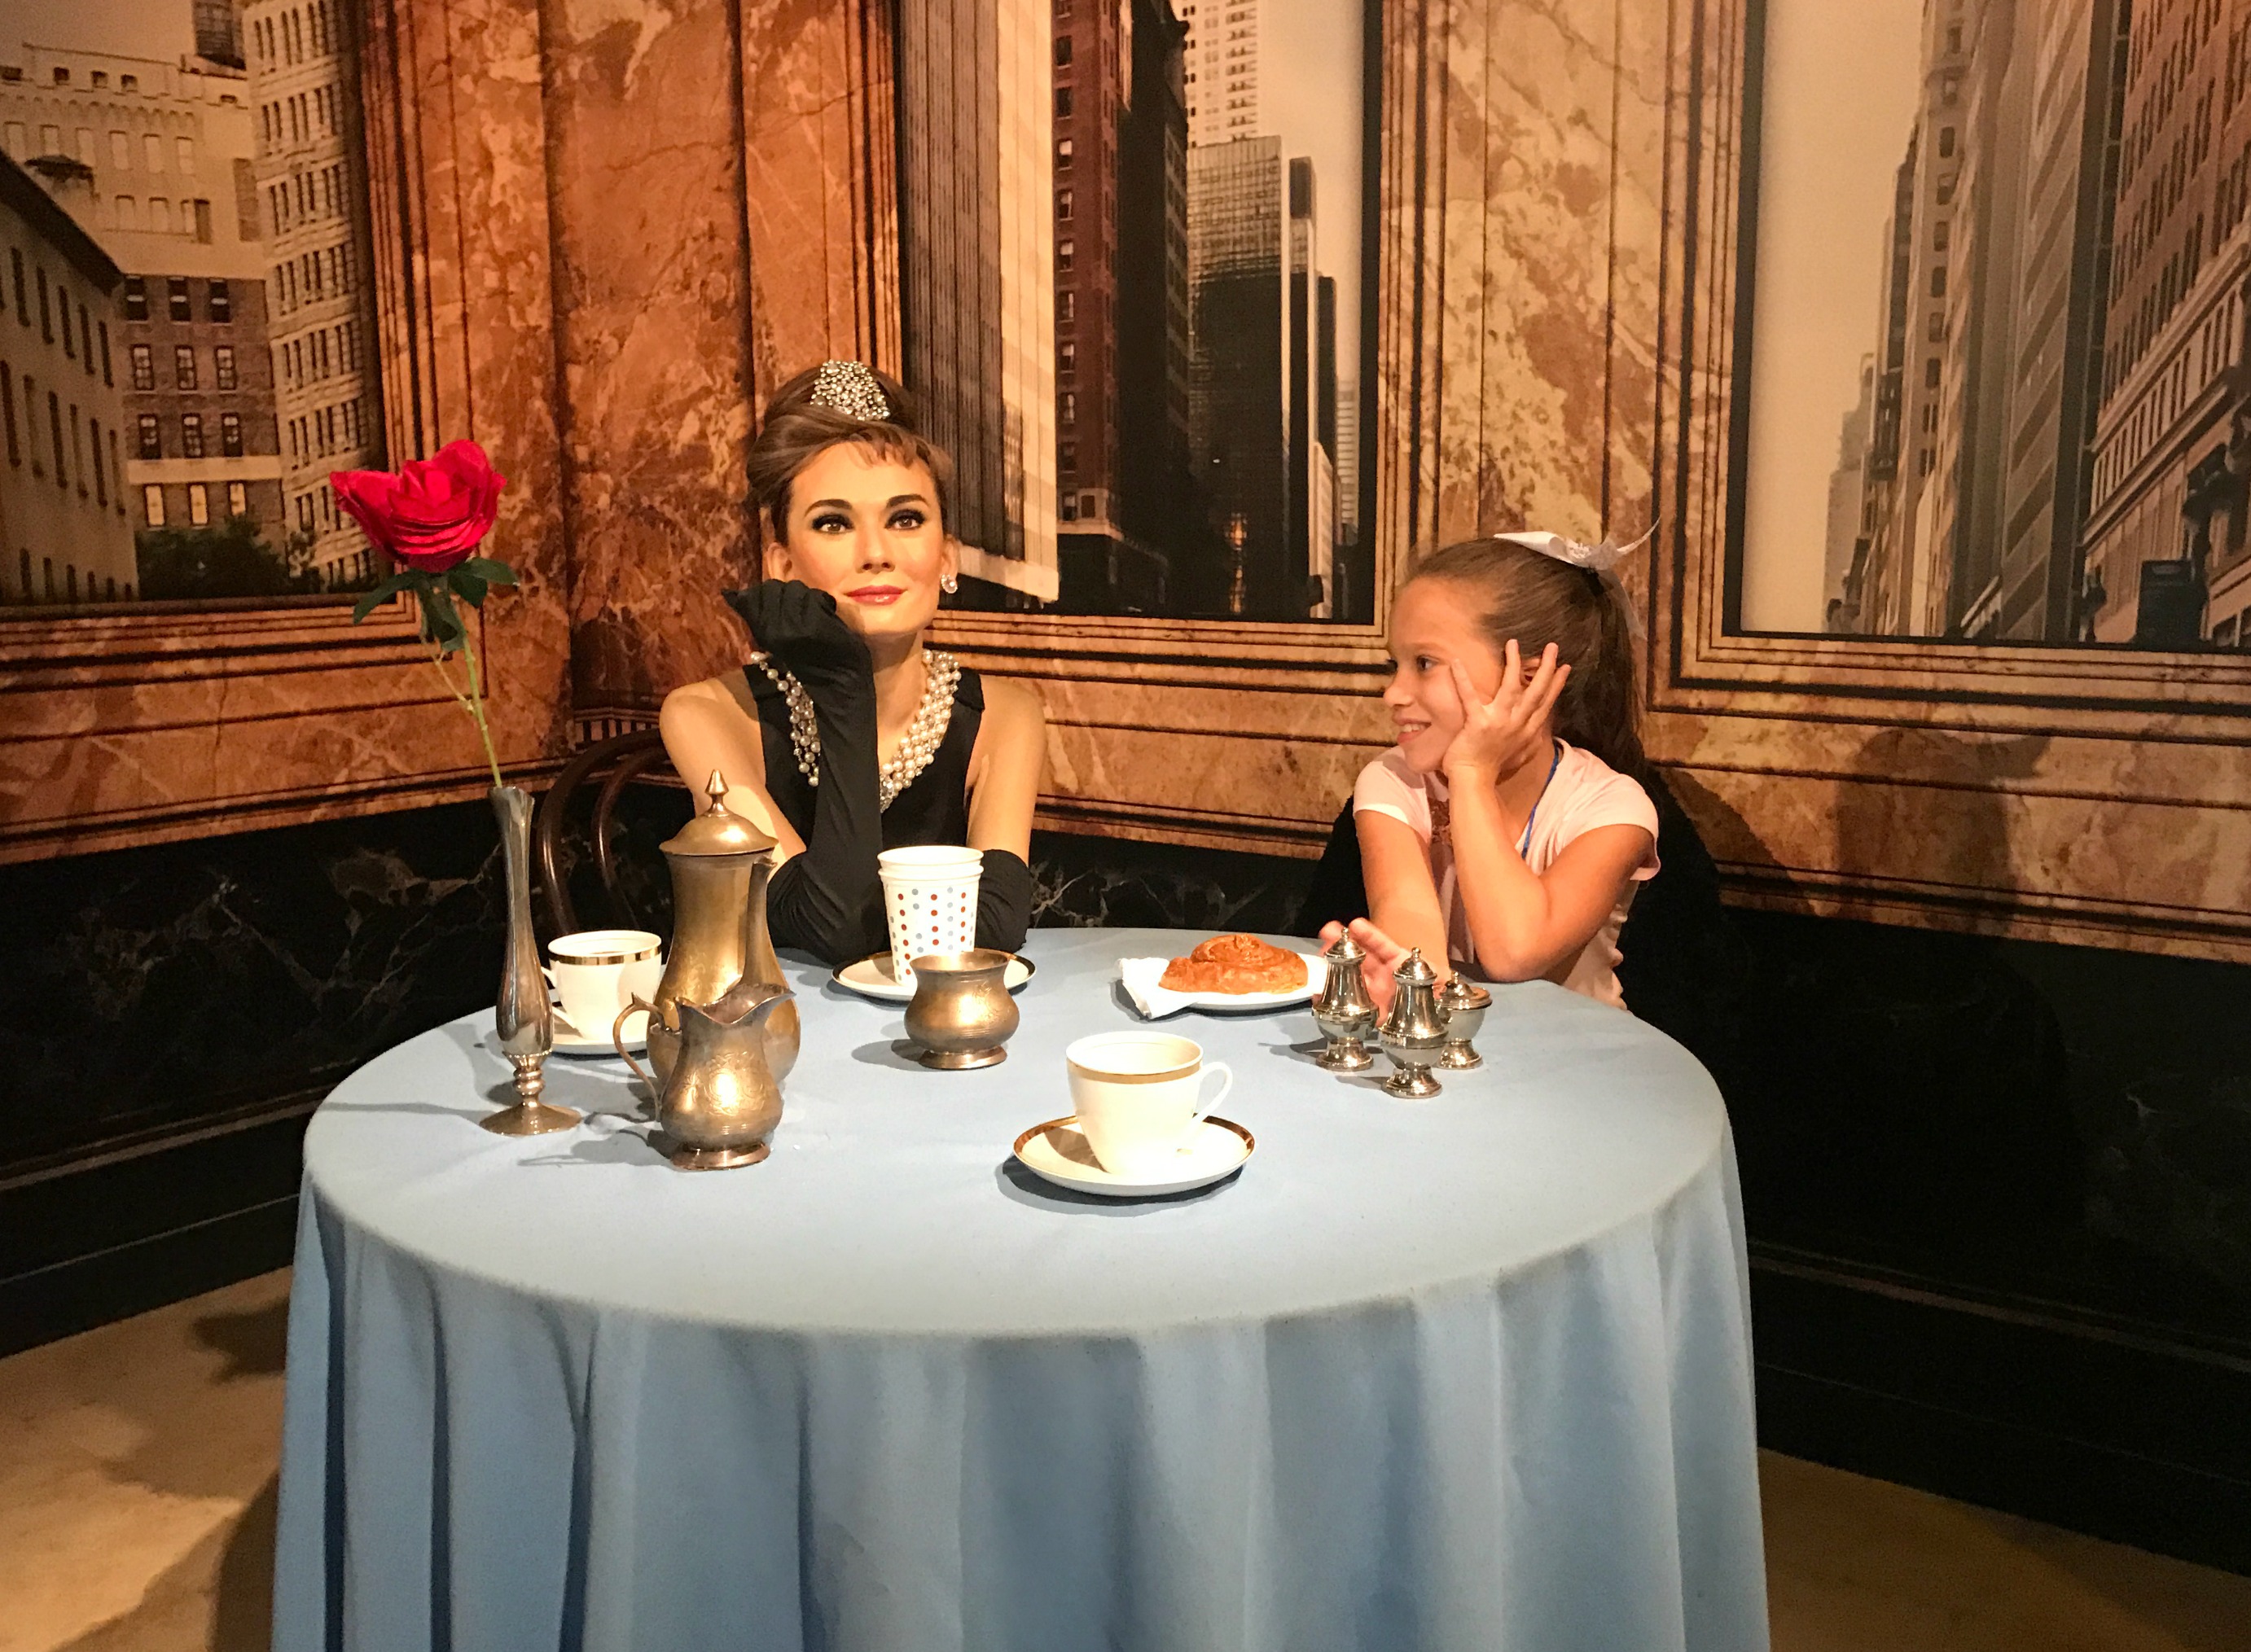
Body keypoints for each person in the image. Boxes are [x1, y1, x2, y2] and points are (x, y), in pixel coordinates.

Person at [659, 362, 1046, 966]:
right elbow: (831, 925)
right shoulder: (704, 715)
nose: (876, 553)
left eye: (905, 519)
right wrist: (844, 687)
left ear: (947, 557)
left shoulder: (1006, 716)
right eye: (834, 523)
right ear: (782, 566)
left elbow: (995, 925)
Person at [1322, 532, 1660, 1013]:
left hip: (1578, 1053)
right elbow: (1415, 953)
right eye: (1394, 664)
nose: (1393, 694)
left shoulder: (1613, 808)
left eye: (1424, 663)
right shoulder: (1393, 780)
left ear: (1528, 676)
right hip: (1448, 1042)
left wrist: (1471, 773)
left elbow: (1515, 952)